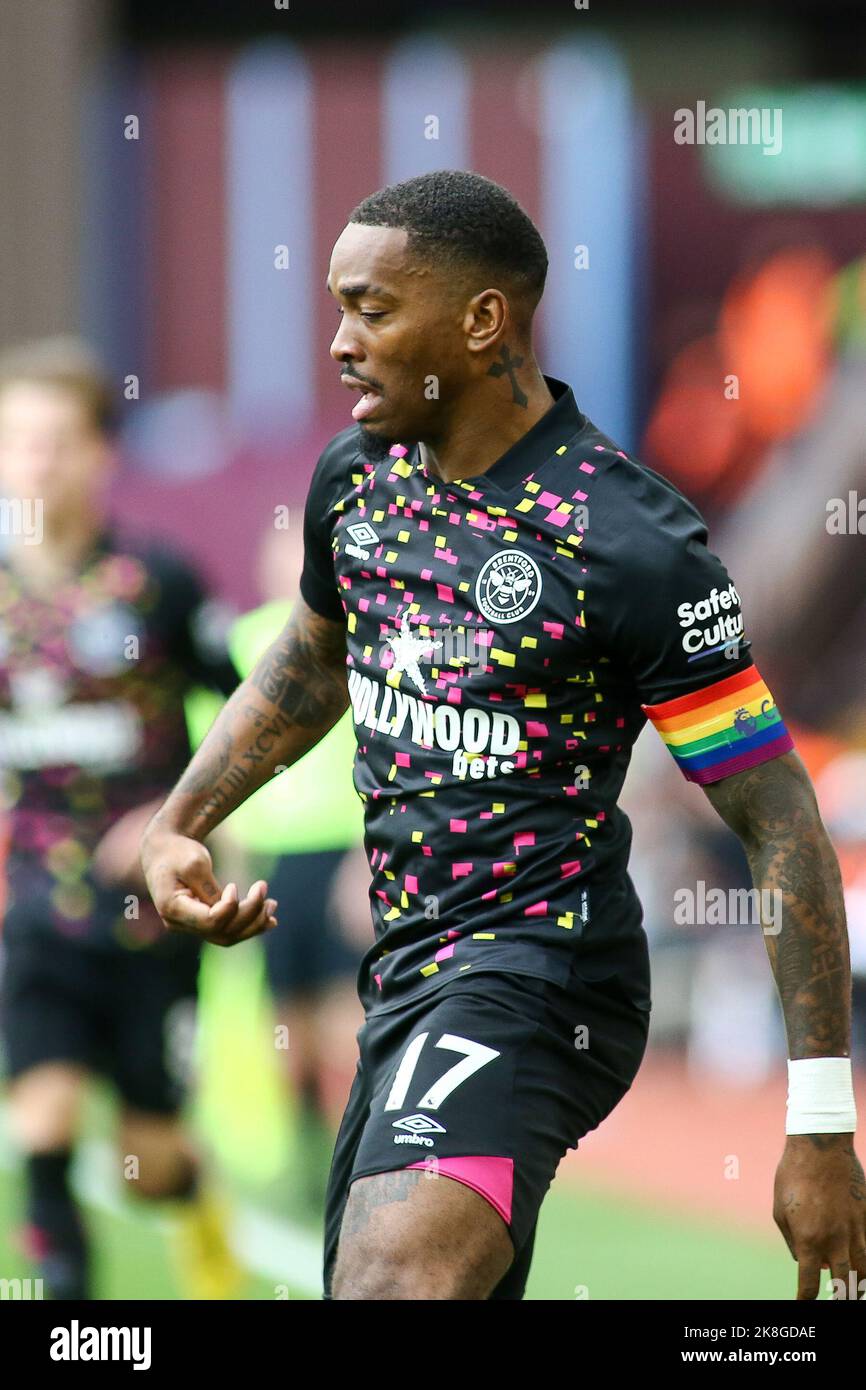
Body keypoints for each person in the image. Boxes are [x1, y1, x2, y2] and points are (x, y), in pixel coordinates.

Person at [141, 171, 865, 1302]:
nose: (338, 342)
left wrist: (820, 1122)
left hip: (543, 973)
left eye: (371, 309)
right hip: (405, 971)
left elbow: (775, 819)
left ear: (481, 321)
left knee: (391, 1282)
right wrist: (186, 819)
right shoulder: (359, 479)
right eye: (339, 307)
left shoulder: (626, 540)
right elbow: (316, 655)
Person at [0, 337, 242, 1299]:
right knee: (44, 1124)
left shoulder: (158, 582)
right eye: (16, 441)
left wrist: (175, 819)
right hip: (29, 909)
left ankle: (200, 1203)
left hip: (147, 917)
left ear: (103, 454)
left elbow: (254, 715)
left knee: (149, 1167)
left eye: (54, 442)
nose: (33, 463)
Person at [185, 519, 368, 1208]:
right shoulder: (240, 642)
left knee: (343, 1018)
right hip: (270, 855)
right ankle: (310, 1147)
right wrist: (219, 848)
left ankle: (362, 1156)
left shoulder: (352, 641)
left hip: (342, 849)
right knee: (282, 1018)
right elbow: (212, 742)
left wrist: (366, 852)